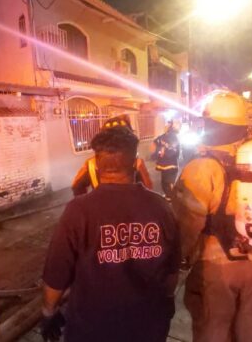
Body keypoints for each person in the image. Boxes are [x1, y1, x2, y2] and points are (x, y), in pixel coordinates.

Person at [41, 127, 180, 342]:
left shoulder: (78, 211)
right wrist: (168, 297)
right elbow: (172, 269)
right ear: (135, 162)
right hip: (148, 324)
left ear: (96, 165)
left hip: (93, 327)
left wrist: (48, 312)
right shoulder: (161, 207)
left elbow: (57, 273)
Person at [173, 91, 252, 342]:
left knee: (214, 324)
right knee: (251, 320)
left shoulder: (201, 167)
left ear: (210, 125)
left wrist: (178, 258)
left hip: (217, 263)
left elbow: (188, 223)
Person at [71, 114, 152, 195]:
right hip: (130, 205)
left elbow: (77, 187)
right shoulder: (136, 162)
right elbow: (148, 190)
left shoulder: (91, 164)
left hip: (99, 205)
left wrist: (86, 202)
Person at [153, 119, 181, 200]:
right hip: (164, 164)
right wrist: (158, 150)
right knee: (164, 182)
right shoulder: (164, 136)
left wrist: (164, 150)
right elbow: (156, 142)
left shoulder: (173, 137)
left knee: (169, 182)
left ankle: (172, 198)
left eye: (167, 124)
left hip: (170, 164)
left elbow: (173, 150)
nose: (165, 126)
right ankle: (168, 196)